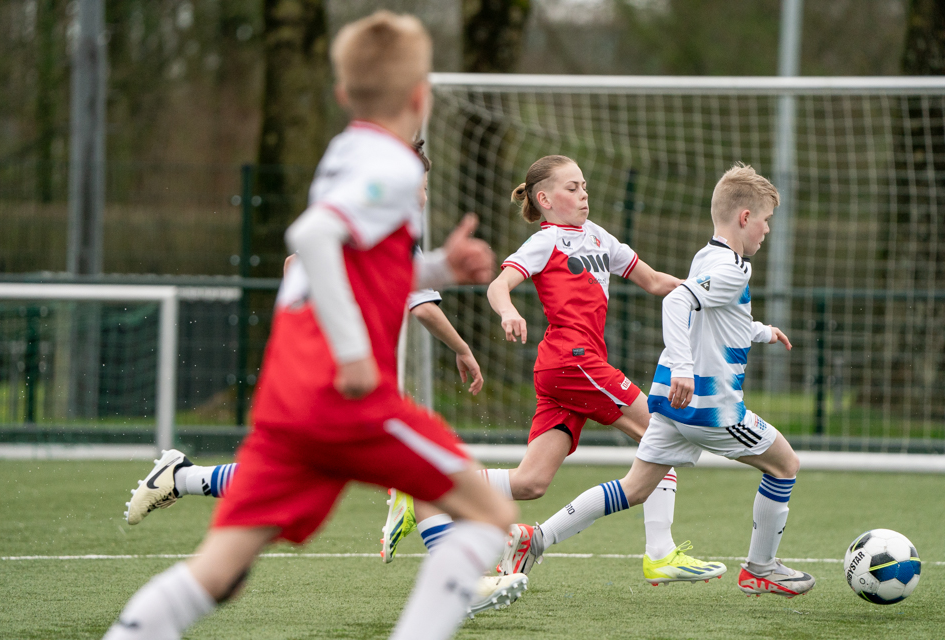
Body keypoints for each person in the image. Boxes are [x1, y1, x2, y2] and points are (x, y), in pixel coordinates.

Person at [102, 12, 525, 640]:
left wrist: (438, 266)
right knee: (489, 515)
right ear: (420, 97)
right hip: (344, 395)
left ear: (342, 96)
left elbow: (346, 263)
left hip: (289, 394)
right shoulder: (399, 168)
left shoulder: (344, 153)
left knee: (219, 569)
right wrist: (354, 354)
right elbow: (313, 238)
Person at [385, 155, 726, 588]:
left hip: (567, 371)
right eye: (571, 187)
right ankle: (659, 554)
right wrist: (508, 312)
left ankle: (428, 488)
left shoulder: (600, 238)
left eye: (584, 185)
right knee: (663, 435)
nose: (583, 193)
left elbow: (656, 281)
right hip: (574, 361)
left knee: (530, 482)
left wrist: (709, 293)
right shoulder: (545, 242)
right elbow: (498, 284)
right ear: (544, 199)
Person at [512, 162, 815, 598]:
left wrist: (760, 332)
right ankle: (761, 568)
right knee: (785, 464)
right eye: (766, 221)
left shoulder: (710, 256)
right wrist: (685, 368)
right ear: (745, 218)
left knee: (634, 488)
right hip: (712, 407)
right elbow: (677, 302)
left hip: (668, 403)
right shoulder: (729, 268)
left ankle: (536, 539)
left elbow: (715, 321)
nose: (768, 231)